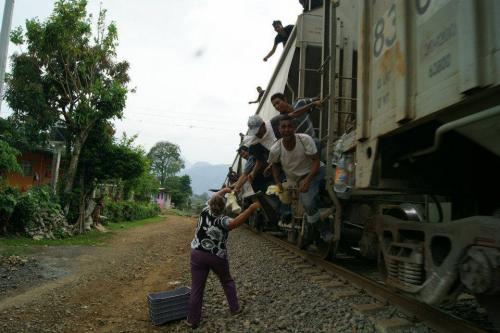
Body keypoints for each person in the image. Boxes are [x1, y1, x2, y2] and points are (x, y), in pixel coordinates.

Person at [186, 188, 260, 328]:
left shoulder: (205, 210)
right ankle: (234, 308)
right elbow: (235, 223)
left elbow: (215, 197)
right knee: (226, 281)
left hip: (197, 253)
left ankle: (192, 320)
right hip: (216, 256)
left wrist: (226, 189)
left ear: (211, 203)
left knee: (196, 288)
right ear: (223, 207)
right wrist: (250, 209)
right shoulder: (223, 220)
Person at [268, 115, 325, 226]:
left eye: (289, 126)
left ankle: (322, 229)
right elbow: (274, 165)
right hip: (296, 179)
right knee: (284, 197)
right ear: (279, 130)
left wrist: (307, 180)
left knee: (308, 202)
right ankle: (313, 222)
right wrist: (278, 182)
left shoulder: (305, 140)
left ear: (294, 128)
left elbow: (316, 161)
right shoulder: (275, 149)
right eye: (283, 127)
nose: (286, 130)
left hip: (315, 171)